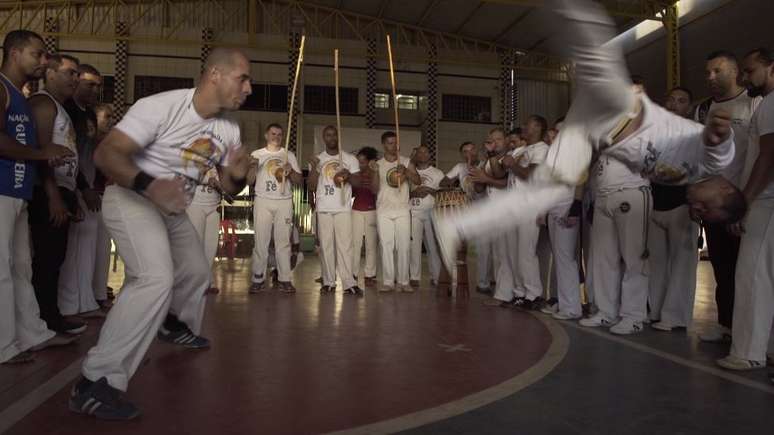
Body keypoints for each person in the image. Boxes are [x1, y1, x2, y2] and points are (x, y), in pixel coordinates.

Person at [432, 0, 739, 310]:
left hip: (593, 129)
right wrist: (718, 136)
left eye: (702, 214)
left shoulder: (687, 181)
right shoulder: (711, 159)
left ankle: (457, 227)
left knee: (544, 190)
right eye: (708, 207)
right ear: (725, 189)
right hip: (619, 109)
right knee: (591, 35)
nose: (698, 209)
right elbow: (720, 153)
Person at [70, 47, 252, 420]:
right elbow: (107, 155)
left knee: (197, 272)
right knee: (155, 278)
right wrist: (151, 186)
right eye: (243, 78)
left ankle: (172, 324)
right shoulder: (161, 107)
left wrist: (235, 174)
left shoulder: (229, 129)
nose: (249, 88)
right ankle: (94, 383)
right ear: (215, 75)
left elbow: (231, 190)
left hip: (170, 210)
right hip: (132, 197)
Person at [0, 30, 77, 365]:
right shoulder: (1, 87)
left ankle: (31, 332)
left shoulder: (19, 94)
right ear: (15, 53)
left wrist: (40, 155)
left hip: (18, 190)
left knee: (21, 267)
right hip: (1, 189)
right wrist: (39, 153)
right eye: (38, 54)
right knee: (2, 268)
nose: (43, 61)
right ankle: (3, 346)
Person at [695, 50, 761, 342]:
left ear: (735, 72)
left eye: (717, 71)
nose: (711, 77)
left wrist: (744, 203)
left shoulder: (754, 103)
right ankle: (727, 326)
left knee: (749, 272)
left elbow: (759, 156)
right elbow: (698, 156)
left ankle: (752, 334)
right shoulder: (703, 109)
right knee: (722, 267)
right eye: (708, 72)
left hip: (745, 201)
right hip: (713, 204)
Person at [717, 48, 774, 370]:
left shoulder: (770, 103)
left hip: (766, 201)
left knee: (752, 277)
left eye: (750, 71)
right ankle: (764, 346)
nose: (745, 78)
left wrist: (744, 203)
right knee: (764, 277)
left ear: (771, 68)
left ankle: (748, 353)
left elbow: (767, 157)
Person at [28, 53, 88, 334]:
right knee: (47, 258)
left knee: (56, 258)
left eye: (77, 74)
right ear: (50, 74)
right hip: (45, 191)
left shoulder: (60, 108)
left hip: (62, 189)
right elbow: (40, 154)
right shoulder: (43, 104)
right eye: (70, 73)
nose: (75, 79)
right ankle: (46, 320)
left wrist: (72, 194)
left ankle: (51, 316)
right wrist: (53, 196)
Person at [647, 86, 701, 331]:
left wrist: (696, 202)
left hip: (683, 204)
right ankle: (656, 310)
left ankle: (675, 317)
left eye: (681, 101)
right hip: (656, 204)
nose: (674, 104)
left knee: (682, 265)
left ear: (688, 108)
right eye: (670, 100)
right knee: (657, 263)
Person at [58, 63, 106, 318]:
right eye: (90, 84)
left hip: (88, 186)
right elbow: (69, 155)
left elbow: (90, 154)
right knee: (72, 250)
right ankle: (68, 305)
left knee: (86, 248)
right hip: (72, 185)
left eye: (98, 85)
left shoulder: (87, 114)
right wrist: (84, 188)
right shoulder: (66, 111)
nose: (95, 90)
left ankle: (85, 301)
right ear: (76, 82)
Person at [247, 123, 302, 293]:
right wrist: (253, 167)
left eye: (279, 134)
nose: (276, 137)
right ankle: (258, 278)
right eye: (273, 133)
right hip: (263, 200)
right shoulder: (257, 154)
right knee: (261, 242)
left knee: (283, 242)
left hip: (283, 201)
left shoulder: (288, 154)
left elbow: (299, 180)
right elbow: (249, 181)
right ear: (266, 135)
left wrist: (290, 171)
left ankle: (284, 278)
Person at [307, 125, 362, 295]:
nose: (331, 138)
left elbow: (358, 183)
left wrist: (349, 175)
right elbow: (311, 186)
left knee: (345, 247)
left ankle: (349, 283)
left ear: (338, 137)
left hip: (343, 207)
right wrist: (315, 168)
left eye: (334, 135)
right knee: (326, 246)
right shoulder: (318, 159)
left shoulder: (349, 159)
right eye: (328, 135)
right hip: (323, 207)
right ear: (324, 138)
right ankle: (328, 281)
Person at [371, 131, 421, 292]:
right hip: (384, 209)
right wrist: (373, 172)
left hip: (402, 209)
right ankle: (387, 282)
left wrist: (406, 172)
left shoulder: (406, 161)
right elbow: (373, 189)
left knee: (404, 246)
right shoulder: (378, 164)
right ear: (384, 145)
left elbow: (418, 181)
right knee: (386, 246)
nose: (394, 146)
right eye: (390, 143)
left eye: (395, 142)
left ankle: (404, 281)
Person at [441, 141, 492, 294]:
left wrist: (472, 168)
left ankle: (484, 283)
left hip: (483, 209)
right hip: (464, 210)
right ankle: (454, 281)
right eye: (465, 151)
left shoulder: (486, 164)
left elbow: (479, 187)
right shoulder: (459, 167)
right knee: (459, 248)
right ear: (462, 154)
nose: (469, 154)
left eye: (471, 150)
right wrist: (452, 181)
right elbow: (443, 181)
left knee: (484, 249)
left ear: (476, 151)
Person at [408, 145, 444, 287]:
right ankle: (414, 277)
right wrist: (413, 193)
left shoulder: (437, 173)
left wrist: (429, 190)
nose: (422, 154)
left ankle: (436, 276)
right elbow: (402, 192)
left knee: (432, 246)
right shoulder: (410, 171)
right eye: (419, 152)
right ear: (415, 155)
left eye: (425, 152)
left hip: (431, 212)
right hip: (413, 212)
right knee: (414, 246)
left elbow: (443, 194)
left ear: (430, 155)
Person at [185, 166, 223, 294]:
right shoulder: (196, 152)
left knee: (211, 246)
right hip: (196, 203)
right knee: (196, 245)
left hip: (214, 203)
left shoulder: (220, 157)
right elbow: (187, 172)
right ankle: (194, 282)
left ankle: (207, 281)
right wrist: (207, 179)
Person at [91, 103, 114, 307]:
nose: (110, 121)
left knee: (102, 250)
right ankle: (92, 294)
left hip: (106, 198)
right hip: (91, 198)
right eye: (106, 117)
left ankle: (99, 291)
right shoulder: (89, 142)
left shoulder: (108, 143)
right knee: (88, 252)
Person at [352, 146, 378, 287]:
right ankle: (353, 273)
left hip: (372, 210)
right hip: (356, 209)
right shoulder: (356, 173)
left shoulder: (376, 173)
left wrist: (374, 175)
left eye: (362, 162)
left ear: (369, 162)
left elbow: (377, 191)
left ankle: (370, 274)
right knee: (355, 243)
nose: (360, 165)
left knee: (371, 244)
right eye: (358, 162)